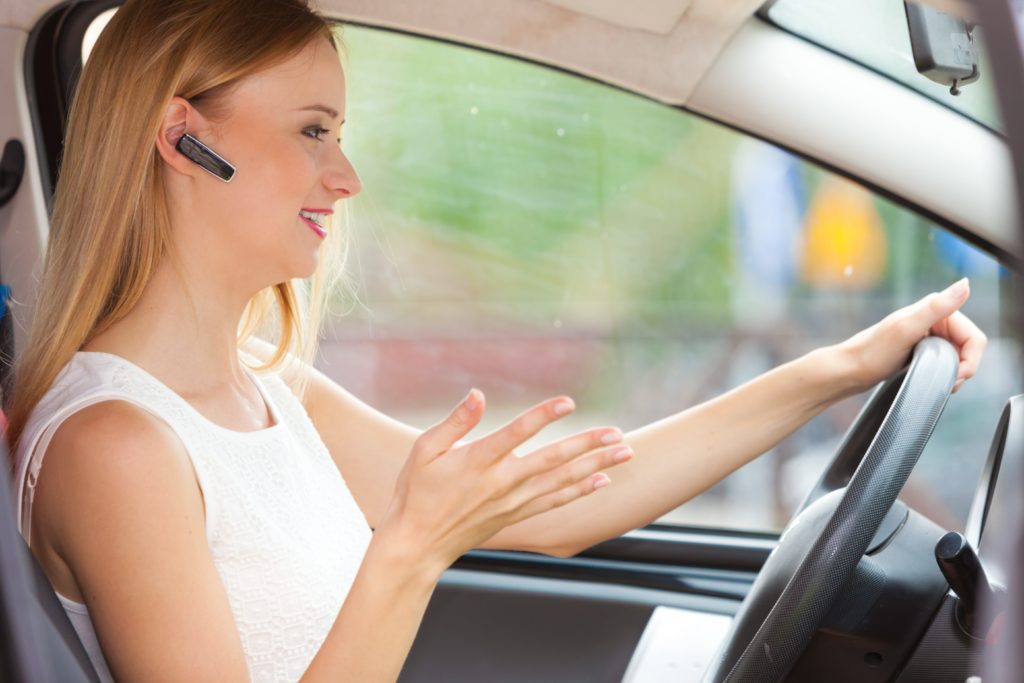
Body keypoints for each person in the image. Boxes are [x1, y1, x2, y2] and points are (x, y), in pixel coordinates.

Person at [5, 0, 987, 681]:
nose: (344, 176)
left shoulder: (273, 393)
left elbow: (570, 502)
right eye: (312, 130)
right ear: (184, 139)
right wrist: (412, 547)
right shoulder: (116, 446)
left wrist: (838, 370)